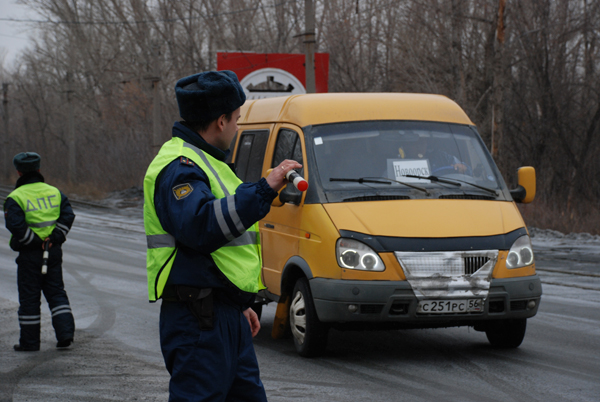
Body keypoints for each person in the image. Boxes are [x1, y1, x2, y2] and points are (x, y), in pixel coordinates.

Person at [143, 70, 300, 401]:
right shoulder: (179, 166)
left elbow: (219, 250)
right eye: (237, 118)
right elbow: (201, 227)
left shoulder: (206, 161)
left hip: (223, 314)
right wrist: (265, 188)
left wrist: (238, 305)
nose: (238, 126)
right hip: (198, 321)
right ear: (220, 121)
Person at [3, 152, 76, 352]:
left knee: (29, 297)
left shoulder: (15, 197)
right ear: (39, 170)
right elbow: (67, 216)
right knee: (56, 292)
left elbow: (15, 225)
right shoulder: (55, 192)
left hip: (29, 255)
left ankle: (30, 342)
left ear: (18, 172)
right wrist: (54, 238)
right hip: (52, 251)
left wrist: (33, 242)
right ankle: (65, 334)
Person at [400, 135, 470, 174]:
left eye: (422, 143)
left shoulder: (440, 157)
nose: (419, 147)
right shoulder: (399, 159)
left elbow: (468, 171)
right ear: (407, 146)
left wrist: (463, 167)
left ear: (426, 144)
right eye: (415, 144)